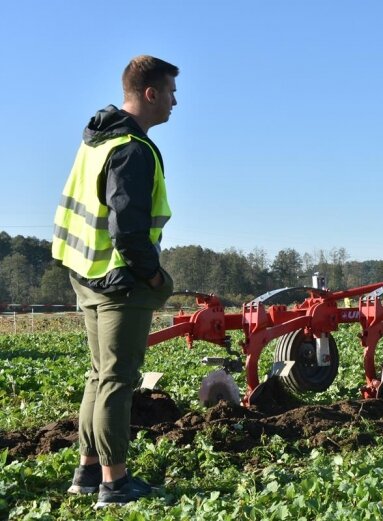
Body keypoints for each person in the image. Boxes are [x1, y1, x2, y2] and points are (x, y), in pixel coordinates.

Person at [52, 55, 178, 508]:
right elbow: (128, 231)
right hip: (120, 281)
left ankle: (87, 472)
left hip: (85, 272)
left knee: (98, 375)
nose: (174, 102)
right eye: (170, 92)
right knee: (118, 380)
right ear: (150, 93)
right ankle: (115, 483)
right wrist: (154, 276)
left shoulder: (96, 141)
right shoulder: (132, 150)